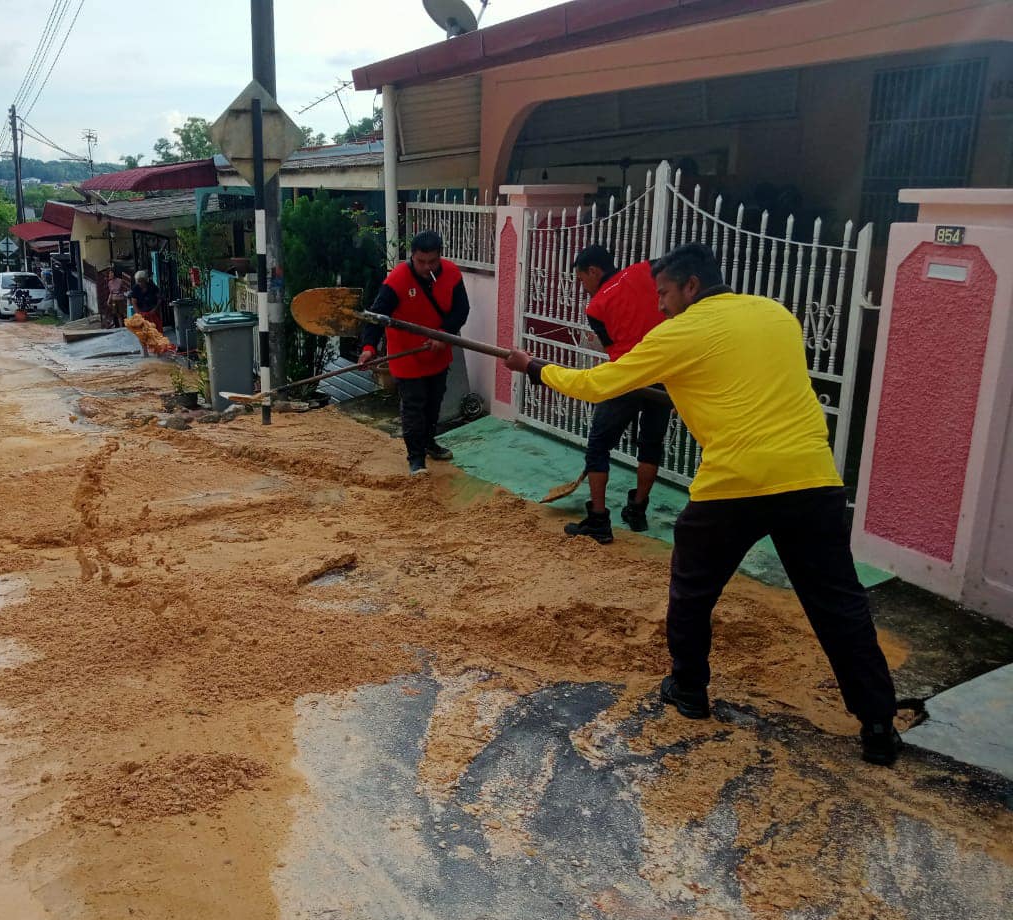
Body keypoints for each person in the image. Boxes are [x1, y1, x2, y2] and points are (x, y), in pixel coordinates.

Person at [503, 242, 901, 766]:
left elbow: (599, 385)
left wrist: (534, 367)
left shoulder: (678, 333)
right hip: (811, 479)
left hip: (734, 484)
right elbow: (745, 378)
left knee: (692, 593)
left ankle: (689, 690)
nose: (660, 304)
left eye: (665, 293)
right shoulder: (777, 315)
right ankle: (878, 724)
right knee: (840, 604)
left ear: (691, 286)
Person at [565, 245, 671, 544]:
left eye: (582, 279)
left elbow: (612, 347)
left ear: (594, 271)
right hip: (663, 375)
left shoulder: (596, 307)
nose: (583, 287)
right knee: (651, 444)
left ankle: (599, 521)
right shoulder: (646, 270)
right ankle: (637, 510)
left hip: (626, 378)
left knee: (598, 446)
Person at [359, 230, 470, 476]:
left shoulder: (452, 274)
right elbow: (376, 317)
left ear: (440, 256)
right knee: (414, 407)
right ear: (412, 256)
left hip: (438, 354)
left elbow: (461, 310)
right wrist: (368, 348)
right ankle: (416, 459)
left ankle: (429, 443)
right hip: (406, 356)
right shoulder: (398, 279)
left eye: (432, 261)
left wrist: (443, 334)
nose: (427, 267)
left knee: (434, 404)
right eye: (421, 261)